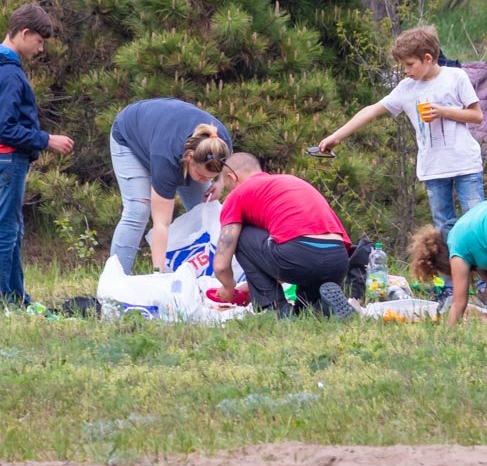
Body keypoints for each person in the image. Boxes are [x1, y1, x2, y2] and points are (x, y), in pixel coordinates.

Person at [317, 25, 485, 230]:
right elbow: (371, 110)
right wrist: (336, 136)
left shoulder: (456, 76)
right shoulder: (407, 88)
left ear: (428, 58)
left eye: (410, 64)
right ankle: (452, 254)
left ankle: (481, 254)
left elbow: (477, 115)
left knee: (477, 224)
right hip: (433, 168)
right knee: (444, 227)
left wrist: (443, 112)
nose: (406, 71)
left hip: (465, 163)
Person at [0, 3, 74, 308]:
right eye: (39, 41)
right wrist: (47, 139)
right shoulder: (9, 74)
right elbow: (7, 128)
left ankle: (17, 298)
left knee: (13, 228)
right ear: (24, 33)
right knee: (5, 230)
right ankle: (0, 302)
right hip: (6, 158)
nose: (40, 49)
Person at [212, 152, 352, 318]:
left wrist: (228, 287)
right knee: (305, 313)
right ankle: (323, 307)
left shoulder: (238, 194)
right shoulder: (290, 182)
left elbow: (221, 265)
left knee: (241, 235)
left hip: (299, 256)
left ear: (232, 177)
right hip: (337, 260)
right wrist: (251, 287)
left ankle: (275, 309)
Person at [109, 98, 232, 274]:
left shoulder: (220, 145)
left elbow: (222, 171)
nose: (204, 181)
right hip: (130, 136)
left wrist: (219, 182)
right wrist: (158, 274)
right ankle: (116, 279)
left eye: (209, 177)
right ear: (189, 158)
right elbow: (161, 224)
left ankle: (208, 276)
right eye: (201, 175)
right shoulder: (167, 160)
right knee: (138, 209)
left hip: (163, 131)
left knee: (203, 209)